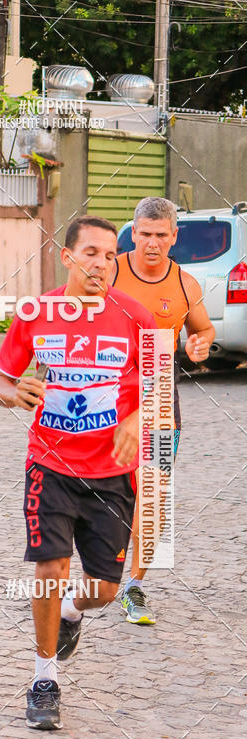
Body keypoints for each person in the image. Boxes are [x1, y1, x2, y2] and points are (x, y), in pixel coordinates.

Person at [0, 215, 156, 731]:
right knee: (49, 568)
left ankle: (72, 612)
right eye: (91, 253)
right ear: (68, 257)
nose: (101, 264)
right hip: (51, 464)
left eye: (110, 256)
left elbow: (157, 387)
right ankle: (45, 680)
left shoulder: (137, 318)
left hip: (112, 473)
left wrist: (133, 418)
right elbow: (0, 381)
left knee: (104, 590)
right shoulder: (36, 313)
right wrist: (14, 393)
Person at [112, 196, 215, 625]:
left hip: (157, 382)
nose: (152, 243)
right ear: (133, 233)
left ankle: (133, 587)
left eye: (161, 235)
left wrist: (199, 344)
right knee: (107, 488)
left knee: (152, 491)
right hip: (106, 388)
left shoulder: (185, 284)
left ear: (174, 237)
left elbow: (203, 329)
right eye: (145, 234)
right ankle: (99, 567)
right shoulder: (109, 271)